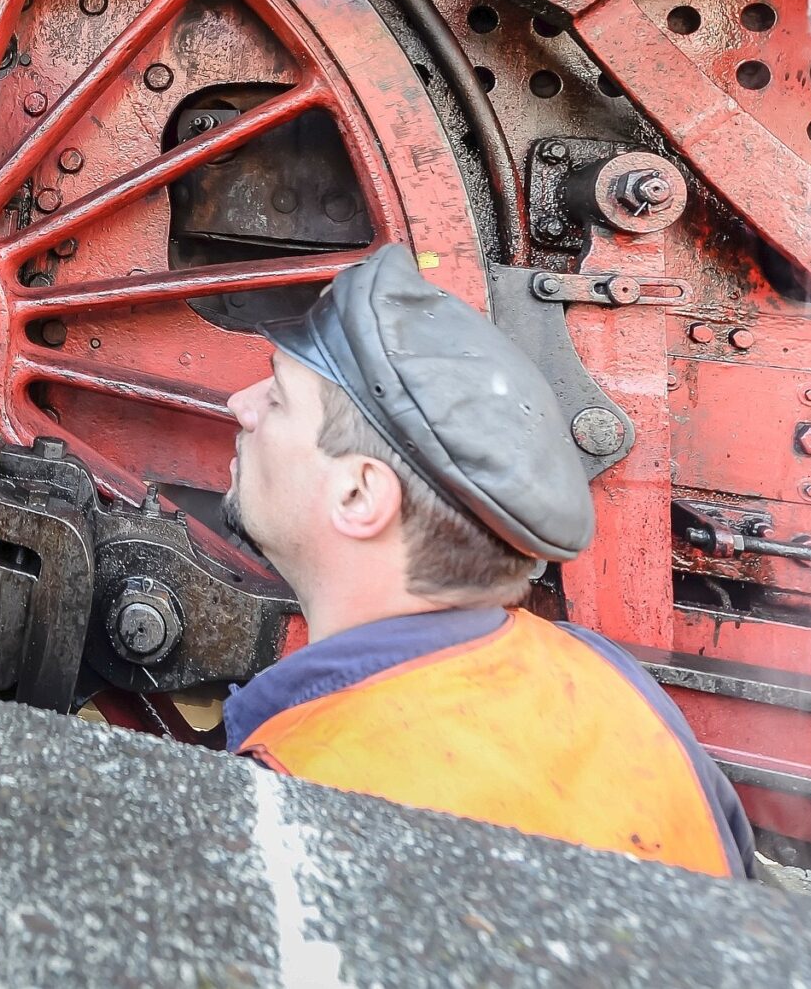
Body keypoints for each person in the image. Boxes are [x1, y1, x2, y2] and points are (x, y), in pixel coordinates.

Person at [220, 244, 754, 879]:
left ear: (360, 495)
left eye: (277, 399)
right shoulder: (610, 680)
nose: (240, 406)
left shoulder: (296, 782)